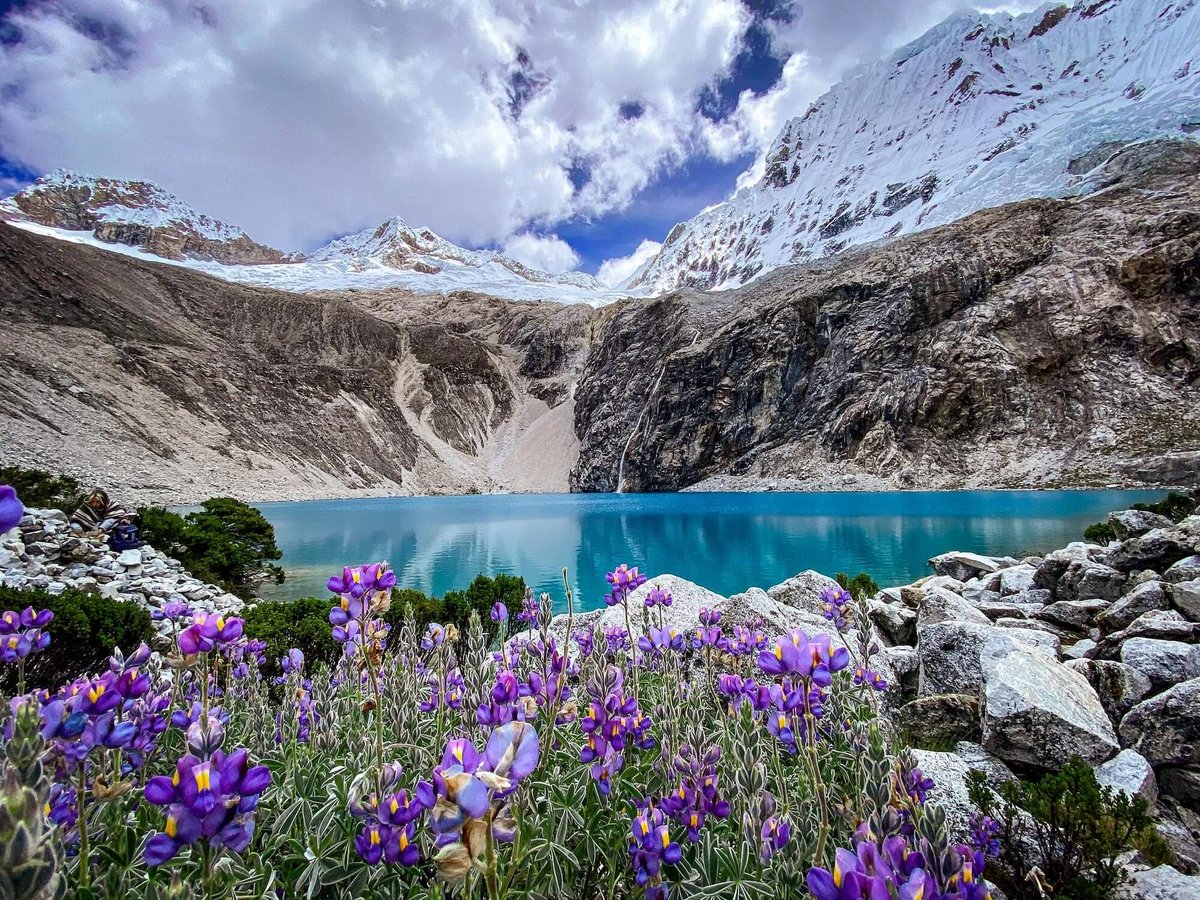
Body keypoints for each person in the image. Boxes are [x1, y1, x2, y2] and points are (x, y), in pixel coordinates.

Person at [70, 489, 142, 548]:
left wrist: (100, 529)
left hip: (105, 524)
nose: (95, 504)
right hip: (90, 525)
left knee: (110, 521)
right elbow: (77, 517)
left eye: (97, 502)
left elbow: (116, 516)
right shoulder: (86, 507)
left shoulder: (111, 505)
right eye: (93, 502)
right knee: (76, 527)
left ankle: (99, 532)